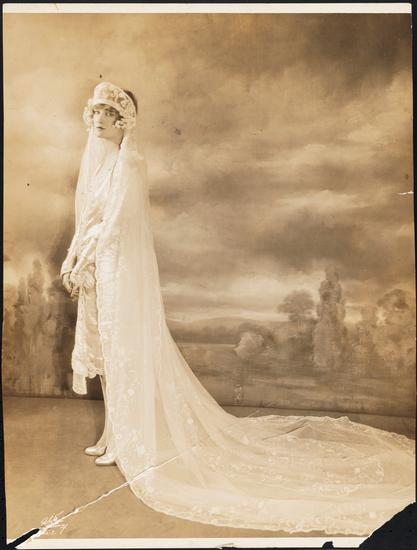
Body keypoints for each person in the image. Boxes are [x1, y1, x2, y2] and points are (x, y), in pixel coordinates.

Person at [60, 81, 414, 535]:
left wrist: (85, 260)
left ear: (124, 120)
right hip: (96, 269)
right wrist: (72, 260)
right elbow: (86, 221)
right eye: (95, 112)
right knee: (105, 349)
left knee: (123, 349)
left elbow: (114, 225)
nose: (99, 120)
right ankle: (111, 435)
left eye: (108, 113)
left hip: (119, 267)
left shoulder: (130, 162)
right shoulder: (96, 162)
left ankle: (125, 442)